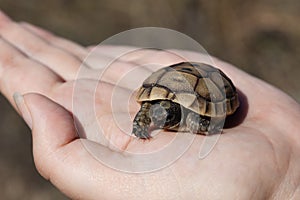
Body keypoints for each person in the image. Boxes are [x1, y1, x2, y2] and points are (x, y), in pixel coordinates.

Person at [0, 10, 299, 199]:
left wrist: (287, 182)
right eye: (158, 113)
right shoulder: (156, 108)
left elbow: (202, 118)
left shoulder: (193, 116)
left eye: (164, 115)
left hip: (203, 87)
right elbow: (151, 108)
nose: (160, 117)